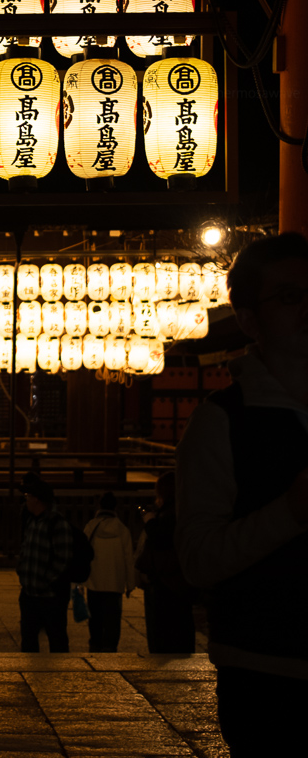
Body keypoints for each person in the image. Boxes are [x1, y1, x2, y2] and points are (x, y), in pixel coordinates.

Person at [176, 232, 308, 756]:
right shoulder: (222, 421)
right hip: (267, 669)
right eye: (290, 297)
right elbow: (198, 558)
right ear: (250, 319)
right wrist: (291, 512)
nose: (307, 309)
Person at [135, 472, 195, 653]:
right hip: (177, 577)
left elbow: (160, 540)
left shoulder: (167, 515)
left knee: (164, 625)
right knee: (180, 622)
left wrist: (149, 522)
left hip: (166, 578)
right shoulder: (182, 511)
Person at [16, 472, 73, 653]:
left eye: (28, 496)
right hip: (29, 593)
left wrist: (45, 581)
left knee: (56, 639)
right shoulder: (33, 521)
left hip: (50, 596)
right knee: (29, 640)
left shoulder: (57, 524)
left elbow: (63, 558)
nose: (26, 500)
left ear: (38, 500)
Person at [82, 491, 135, 653]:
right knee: (112, 619)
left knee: (95, 617)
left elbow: (83, 553)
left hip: (94, 580)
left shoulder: (91, 527)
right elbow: (128, 558)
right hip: (115, 582)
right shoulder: (122, 529)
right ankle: (110, 646)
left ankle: (95, 643)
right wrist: (130, 584)